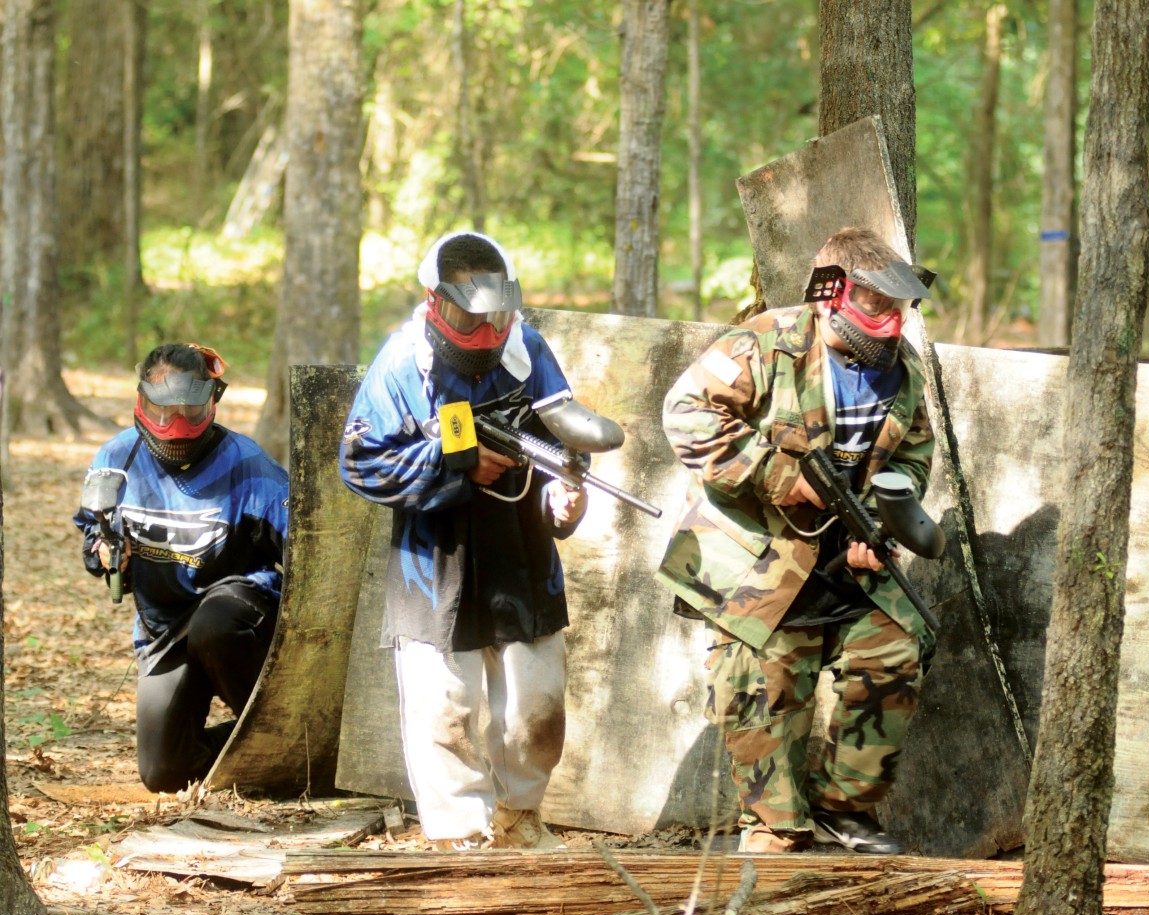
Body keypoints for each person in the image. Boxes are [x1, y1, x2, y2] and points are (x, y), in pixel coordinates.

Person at [656, 227, 937, 855]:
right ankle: (777, 827)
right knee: (761, 692)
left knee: (895, 654)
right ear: (829, 293)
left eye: (899, 307)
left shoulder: (903, 370)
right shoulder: (766, 342)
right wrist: (781, 476)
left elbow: (914, 454)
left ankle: (844, 809)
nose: (891, 322)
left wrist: (882, 518)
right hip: (754, 555)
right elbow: (686, 415)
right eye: (874, 304)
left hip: (846, 552)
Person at [339, 231, 587, 851]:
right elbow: (361, 464)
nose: (481, 331)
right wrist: (456, 461)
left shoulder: (527, 347)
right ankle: (458, 835)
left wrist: (566, 493)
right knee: (444, 708)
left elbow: (565, 437)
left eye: (494, 314)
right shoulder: (401, 363)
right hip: (435, 556)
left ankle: (520, 816)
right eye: (463, 316)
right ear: (433, 301)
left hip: (522, 548)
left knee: (537, 708)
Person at [74, 343, 288, 793]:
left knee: (217, 621)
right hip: (164, 630)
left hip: (239, 613)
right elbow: (93, 541)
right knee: (165, 772)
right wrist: (106, 554)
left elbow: (309, 557)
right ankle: (277, 747)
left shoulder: (250, 468)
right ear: (141, 400)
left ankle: (282, 732)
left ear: (212, 401)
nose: (176, 424)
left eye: (191, 410)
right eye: (163, 409)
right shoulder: (116, 460)